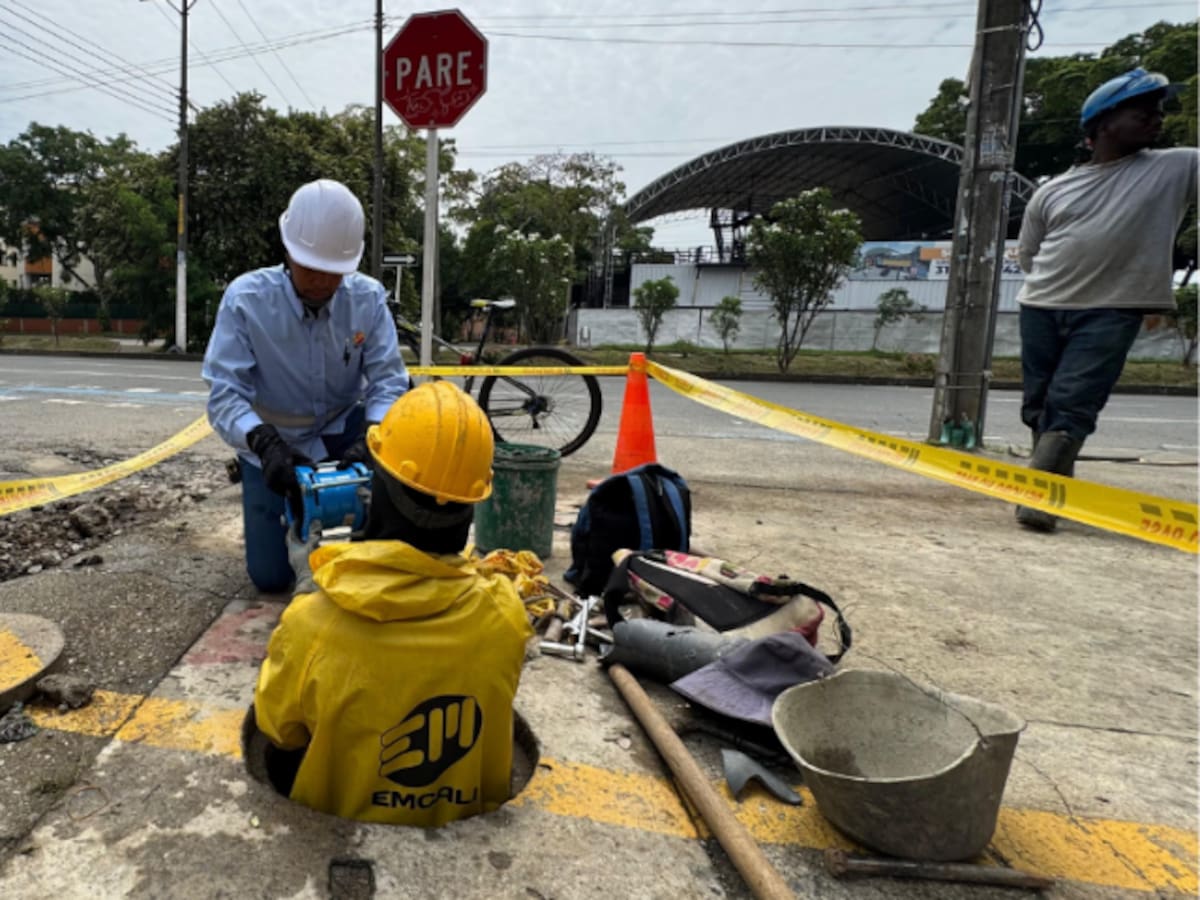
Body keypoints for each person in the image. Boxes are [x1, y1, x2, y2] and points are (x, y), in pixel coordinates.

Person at [252, 381, 534, 827]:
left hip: (340, 829)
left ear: (378, 493)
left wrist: (312, 586)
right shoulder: (505, 612)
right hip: (461, 829)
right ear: (473, 504)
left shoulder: (312, 626)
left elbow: (278, 730)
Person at [1013, 68, 1197, 532]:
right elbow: (1030, 252)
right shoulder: (1053, 189)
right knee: (1039, 407)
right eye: (1143, 111)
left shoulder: (1177, 167)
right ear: (1101, 123)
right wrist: (1055, 286)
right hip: (1041, 306)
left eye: (1158, 111)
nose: (1156, 119)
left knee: (1073, 403)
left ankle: (1033, 497)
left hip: (1113, 309)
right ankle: (1055, 498)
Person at [203, 179, 409, 590]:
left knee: (378, 547)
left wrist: (373, 434)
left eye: (332, 272)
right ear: (287, 251)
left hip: (341, 427)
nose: (320, 281)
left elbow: (389, 380)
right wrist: (262, 441)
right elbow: (225, 393)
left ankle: (368, 526)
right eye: (309, 267)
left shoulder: (367, 299)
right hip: (272, 443)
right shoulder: (246, 300)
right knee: (271, 577)